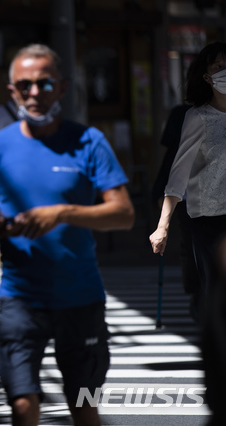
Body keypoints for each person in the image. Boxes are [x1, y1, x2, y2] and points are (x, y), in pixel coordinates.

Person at [0, 44, 134, 426]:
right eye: (24, 86)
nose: (35, 94)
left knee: (85, 407)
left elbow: (124, 214)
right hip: (21, 300)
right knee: (23, 406)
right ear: (12, 91)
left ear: (62, 87)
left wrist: (61, 213)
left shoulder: (89, 140)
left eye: (44, 84)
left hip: (82, 298)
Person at [149, 41, 226, 423]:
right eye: (219, 67)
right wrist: (162, 225)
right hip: (208, 221)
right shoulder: (197, 117)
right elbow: (177, 173)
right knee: (217, 300)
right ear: (207, 76)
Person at [150, 103, 201, 320]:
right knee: (192, 249)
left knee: (192, 248)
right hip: (192, 201)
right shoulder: (186, 115)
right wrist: (163, 224)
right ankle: (198, 296)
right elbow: (172, 165)